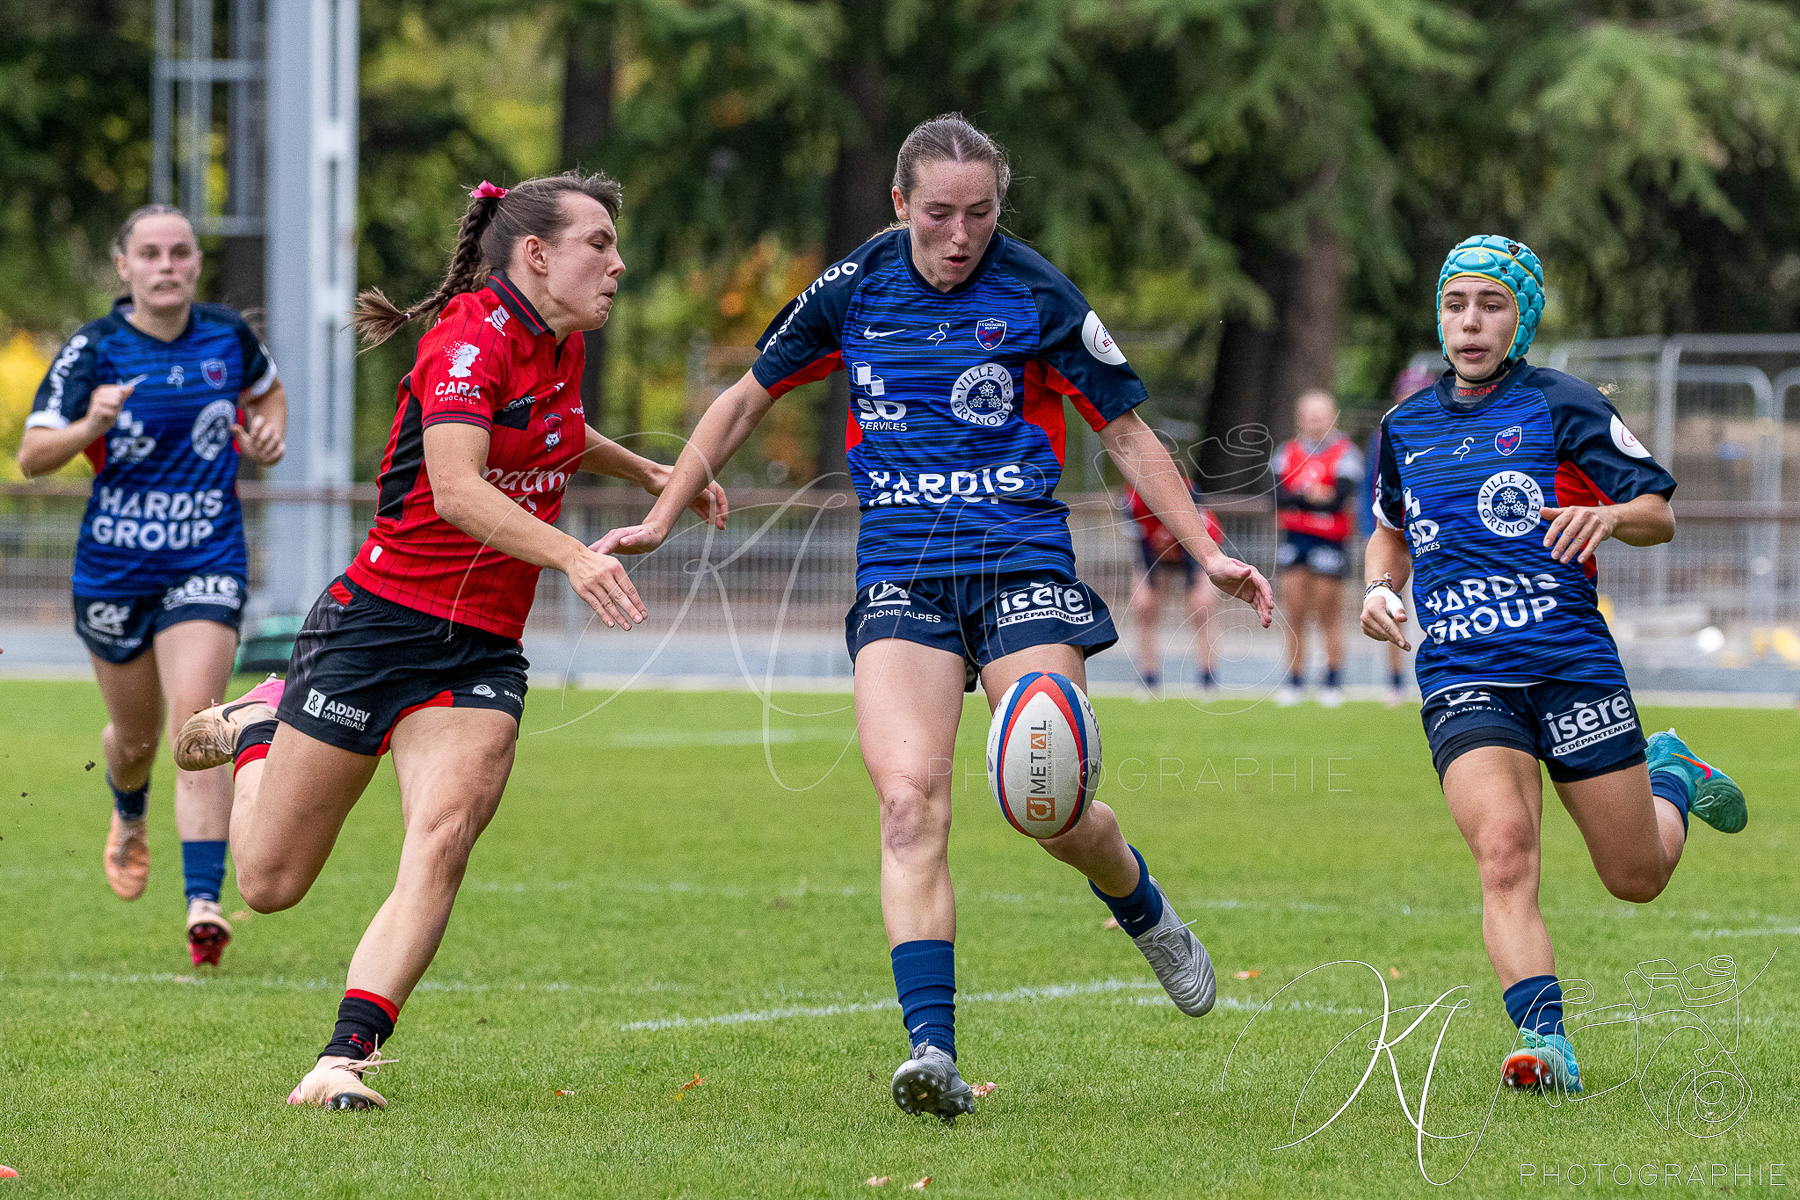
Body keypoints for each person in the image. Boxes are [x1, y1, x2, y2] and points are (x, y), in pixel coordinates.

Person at [597, 114, 1274, 1124]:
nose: (962, 236)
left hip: (1020, 563)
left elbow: (1126, 434)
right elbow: (744, 399)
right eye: (942, 214)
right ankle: (934, 1053)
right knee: (908, 805)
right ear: (901, 204)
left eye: (982, 214)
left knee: (1043, 805)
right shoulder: (853, 287)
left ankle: (1138, 901)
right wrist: (660, 512)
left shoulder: (1038, 291)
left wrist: (1206, 547)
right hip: (903, 571)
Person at [173, 172, 727, 1109]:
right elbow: (458, 488)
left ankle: (341, 1059)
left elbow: (552, 428)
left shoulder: (559, 345)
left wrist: (641, 468)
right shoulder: (467, 336)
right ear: (537, 255)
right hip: (376, 628)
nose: (619, 262)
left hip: (479, 650)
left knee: (444, 837)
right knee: (268, 884)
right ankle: (261, 725)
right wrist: (573, 559)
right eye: (600, 242)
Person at [1361, 234, 1747, 1092]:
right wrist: (1380, 588)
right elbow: (1389, 528)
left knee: (1636, 879)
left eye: (1492, 305)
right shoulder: (1406, 425)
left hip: (1570, 664)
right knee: (1504, 852)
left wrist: (1609, 518)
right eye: (1457, 304)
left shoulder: (1564, 405)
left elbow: (1658, 512)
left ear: (1521, 318)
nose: (1471, 322)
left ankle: (1673, 775)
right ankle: (1546, 1042)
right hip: (1463, 673)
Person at [20, 204, 288, 966]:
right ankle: (127, 809)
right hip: (113, 571)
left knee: (194, 720)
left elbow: (270, 397)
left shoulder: (227, 337)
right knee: (135, 742)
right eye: (151, 253)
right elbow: (33, 456)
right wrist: (88, 425)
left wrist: (269, 432)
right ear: (124, 266)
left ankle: (204, 904)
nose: (167, 265)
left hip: (206, 559)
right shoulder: (95, 349)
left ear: (196, 265)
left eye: (180, 252)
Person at [1271, 390, 1362, 707]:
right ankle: (1294, 681)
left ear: (1332, 417)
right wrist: (1313, 496)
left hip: (1330, 539)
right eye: (1309, 415)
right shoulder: (1286, 452)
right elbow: (1278, 497)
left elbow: (1338, 498)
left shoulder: (1346, 453)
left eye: (1321, 415)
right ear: (1300, 419)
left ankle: (1332, 680)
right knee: (1294, 611)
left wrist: (1302, 496)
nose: (1315, 421)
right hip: (1295, 539)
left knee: (1328, 612)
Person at [1364, 355, 1435, 705]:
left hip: (1437, 538)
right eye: (1403, 394)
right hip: (1398, 534)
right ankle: (1395, 680)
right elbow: (1373, 487)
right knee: (1391, 605)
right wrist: (1372, 531)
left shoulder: (1447, 431)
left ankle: (1435, 678)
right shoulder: (1386, 434)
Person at [1121, 476, 1224, 696]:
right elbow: (1142, 542)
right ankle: (1148, 677)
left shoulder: (1187, 495)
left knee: (1201, 606)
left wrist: (1195, 581)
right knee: (1143, 605)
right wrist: (1149, 582)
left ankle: (1207, 677)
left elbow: (1199, 545)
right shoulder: (1134, 499)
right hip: (1156, 555)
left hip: (1196, 552)